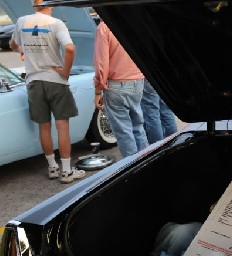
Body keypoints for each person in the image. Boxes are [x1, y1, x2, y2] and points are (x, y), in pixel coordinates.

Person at [10, 0, 85, 184]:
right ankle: (67, 172)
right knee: (62, 127)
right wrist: (65, 72)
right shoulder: (56, 23)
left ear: (33, 5)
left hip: (34, 81)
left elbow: (13, 45)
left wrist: (25, 50)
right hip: (55, 80)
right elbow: (69, 48)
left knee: (43, 126)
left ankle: (52, 167)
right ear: (51, 5)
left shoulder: (21, 21)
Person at [93, 20, 147, 158]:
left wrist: (98, 90)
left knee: (124, 132)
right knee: (138, 128)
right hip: (138, 79)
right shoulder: (132, 22)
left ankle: (132, 168)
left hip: (116, 84)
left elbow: (101, 64)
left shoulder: (104, 28)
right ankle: (145, 163)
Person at [142, 80, 178, 145]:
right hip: (159, 78)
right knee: (166, 112)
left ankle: (158, 147)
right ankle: (175, 141)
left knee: (152, 116)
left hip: (145, 78)